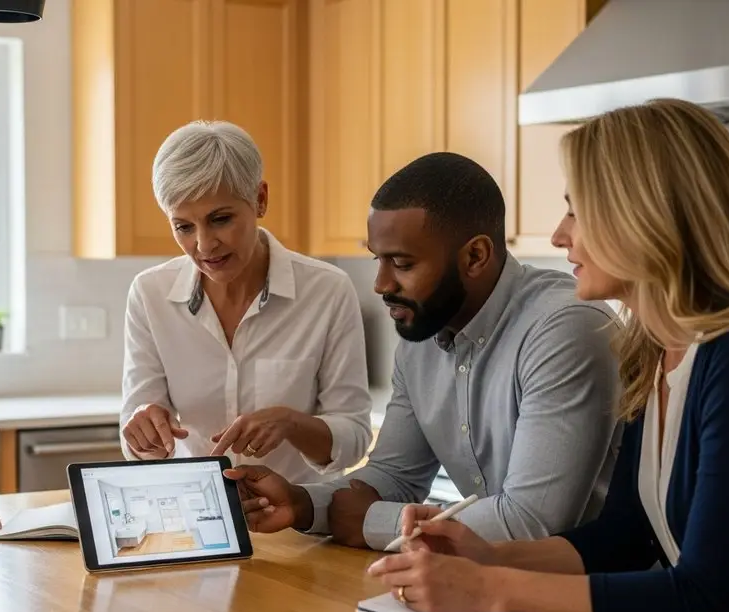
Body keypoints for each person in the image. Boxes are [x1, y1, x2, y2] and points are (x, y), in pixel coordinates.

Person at [366, 98, 729, 612]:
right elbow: (626, 537)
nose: (560, 236)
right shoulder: (652, 348)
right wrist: (483, 555)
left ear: (645, 215)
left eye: (576, 210)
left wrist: (487, 588)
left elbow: (701, 596)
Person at [225, 152, 622, 549]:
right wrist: (302, 502)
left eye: (401, 263)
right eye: (377, 259)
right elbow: (395, 476)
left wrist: (372, 522)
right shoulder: (423, 336)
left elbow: (531, 522)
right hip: (497, 586)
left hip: (596, 595)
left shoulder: (565, 327)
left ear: (475, 256)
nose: (380, 283)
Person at [120, 120, 373, 484]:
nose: (204, 245)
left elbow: (354, 439)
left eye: (220, 219)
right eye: (184, 227)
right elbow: (139, 440)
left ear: (260, 200)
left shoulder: (327, 291)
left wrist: (291, 423)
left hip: (299, 527)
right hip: (198, 519)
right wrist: (145, 434)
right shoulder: (150, 294)